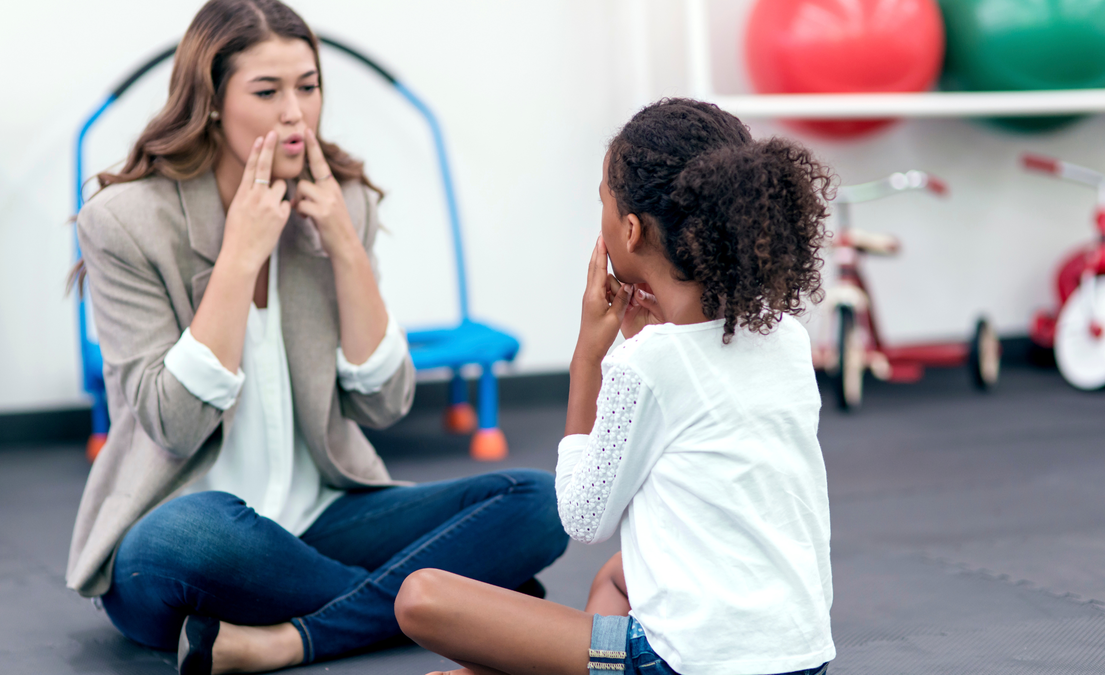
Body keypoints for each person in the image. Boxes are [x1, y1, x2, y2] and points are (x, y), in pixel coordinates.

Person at [65, 1, 568, 673]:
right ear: (211, 102)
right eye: (267, 91)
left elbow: (384, 404)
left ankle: (295, 635)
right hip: (184, 528)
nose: (295, 112)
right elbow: (175, 423)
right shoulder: (124, 221)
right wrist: (240, 254)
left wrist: (342, 243)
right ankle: (447, 599)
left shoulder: (344, 200)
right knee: (192, 534)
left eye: (309, 86)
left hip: (322, 516)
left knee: (540, 503)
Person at [394, 98, 836, 675]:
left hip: (691, 665)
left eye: (603, 200)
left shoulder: (646, 363)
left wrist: (589, 357)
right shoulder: (786, 337)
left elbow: (583, 518)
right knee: (618, 575)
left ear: (629, 231)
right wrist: (649, 343)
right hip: (802, 659)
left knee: (421, 597)